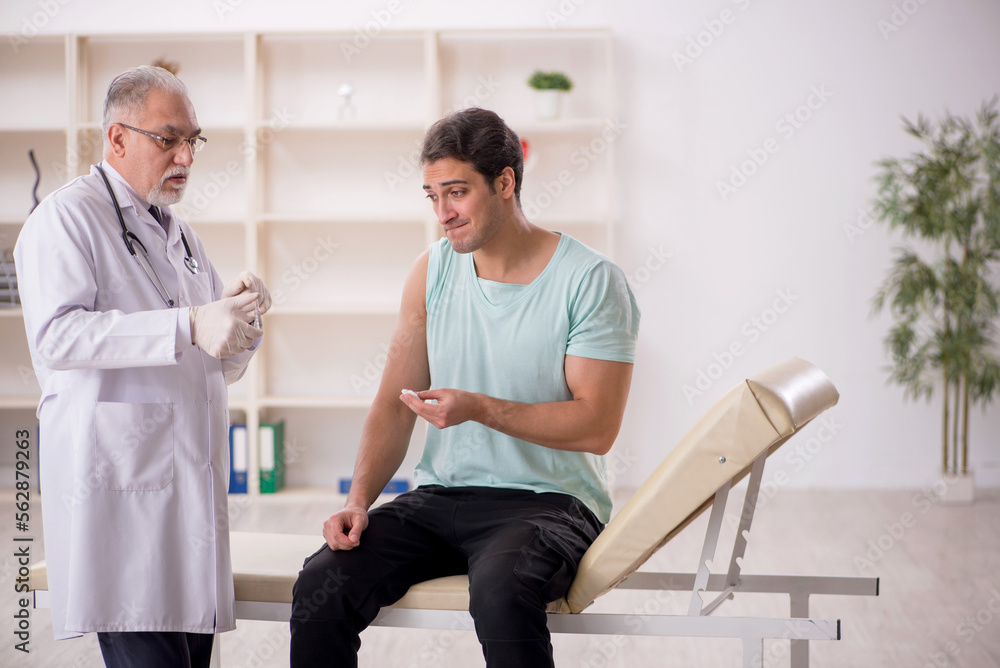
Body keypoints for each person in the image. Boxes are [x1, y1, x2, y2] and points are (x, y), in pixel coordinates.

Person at [289, 107, 640, 667]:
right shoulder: (431, 271)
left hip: (549, 504)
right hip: (443, 499)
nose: (443, 214)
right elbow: (393, 405)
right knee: (322, 582)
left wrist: (478, 408)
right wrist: (358, 502)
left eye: (456, 192)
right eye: (431, 196)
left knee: (501, 591)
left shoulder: (592, 281)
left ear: (505, 182)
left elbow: (597, 426)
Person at [14, 65, 270, 668]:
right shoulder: (66, 218)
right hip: (121, 500)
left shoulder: (180, 236)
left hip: (187, 503)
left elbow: (214, 365)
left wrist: (243, 323)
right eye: (168, 138)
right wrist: (188, 323)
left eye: (193, 140)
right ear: (117, 138)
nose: (185, 155)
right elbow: (57, 337)